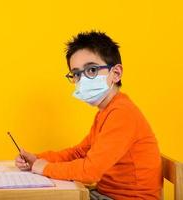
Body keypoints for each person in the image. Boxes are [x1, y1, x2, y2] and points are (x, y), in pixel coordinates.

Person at [14, 31, 163, 200]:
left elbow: (90, 171)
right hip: (104, 194)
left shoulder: (122, 113)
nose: (82, 79)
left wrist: (45, 168)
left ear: (116, 73)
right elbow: (78, 153)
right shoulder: (106, 112)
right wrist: (38, 158)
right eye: (76, 74)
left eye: (91, 70)